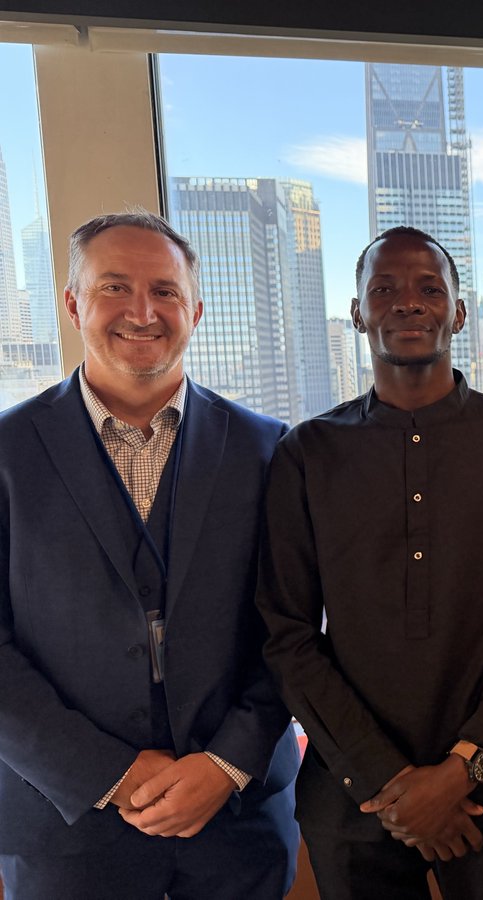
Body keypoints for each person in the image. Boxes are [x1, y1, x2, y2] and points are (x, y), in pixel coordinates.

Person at [256, 225, 483, 900]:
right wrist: (390, 784)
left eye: (430, 288)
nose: (408, 303)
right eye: (385, 289)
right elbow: (285, 636)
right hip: (354, 800)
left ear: (459, 311)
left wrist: (461, 771)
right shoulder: (306, 454)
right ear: (356, 311)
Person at [0, 212, 300, 900]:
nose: (143, 311)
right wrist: (106, 773)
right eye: (115, 287)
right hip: (63, 825)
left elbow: (296, 627)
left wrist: (225, 764)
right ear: (74, 303)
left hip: (237, 820)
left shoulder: (271, 450)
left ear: (195, 308)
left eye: (165, 291)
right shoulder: (7, 453)